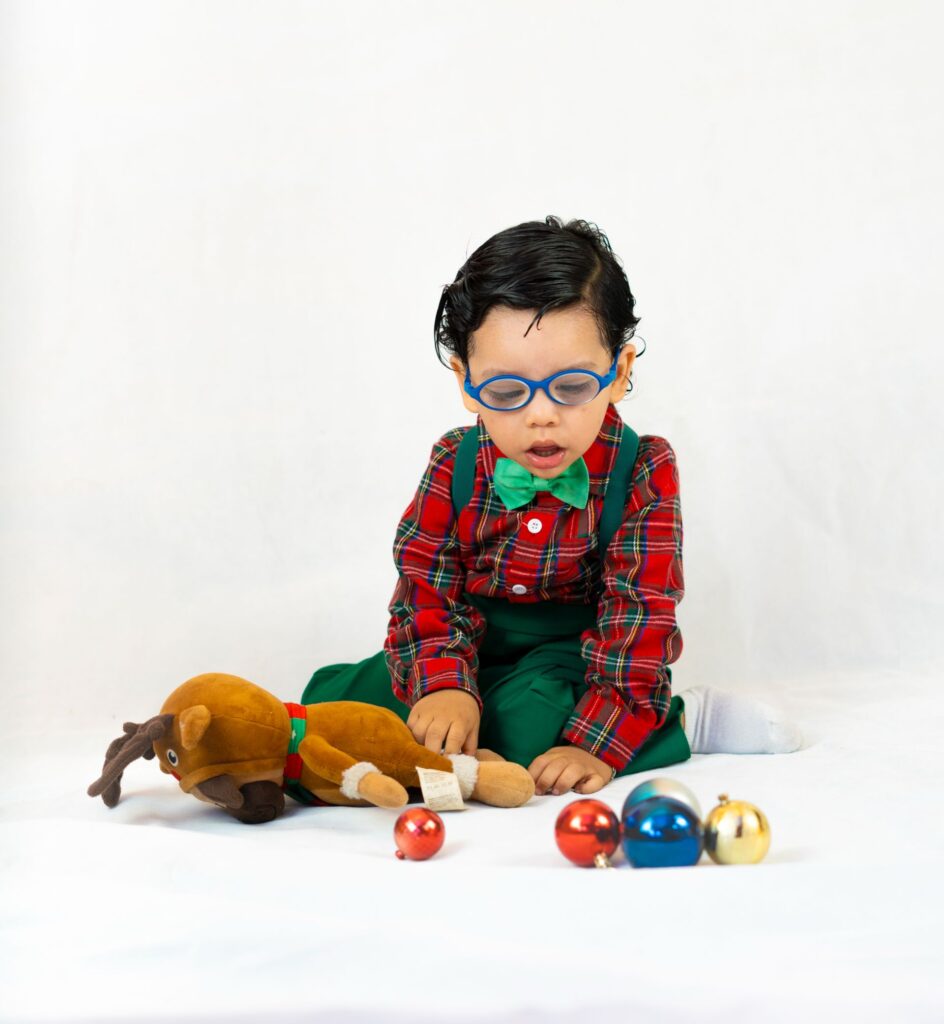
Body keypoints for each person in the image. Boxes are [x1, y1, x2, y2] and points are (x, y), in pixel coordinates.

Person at [302, 215, 802, 798]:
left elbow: (640, 617)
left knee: (529, 727)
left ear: (619, 372)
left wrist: (595, 744)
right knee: (342, 708)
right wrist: (444, 685)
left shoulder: (642, 469)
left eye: (571, 387)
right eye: (507, 392)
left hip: (572, 658)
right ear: (466, 382)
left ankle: (682, 721)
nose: (541, 415)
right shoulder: (453, 461)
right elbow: (425, 589)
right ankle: (446, 733)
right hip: (469, 644)